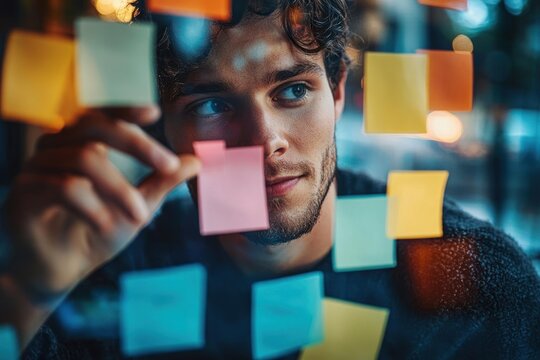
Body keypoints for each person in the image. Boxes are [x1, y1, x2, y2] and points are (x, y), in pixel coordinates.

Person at [0, 0, 539, 359]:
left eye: (293, 91)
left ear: (338, 93)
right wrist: (24, 293)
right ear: (165, 124)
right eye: (212, 103)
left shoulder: (474, 275)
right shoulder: (103, 269)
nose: (263, 142)